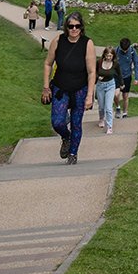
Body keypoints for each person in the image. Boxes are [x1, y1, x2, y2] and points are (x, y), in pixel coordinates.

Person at [42, 12, 95, 164]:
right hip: (60, 88)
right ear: (66, 27)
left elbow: (92, 72)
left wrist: (90, 95)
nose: (74, 29)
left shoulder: (87, 43)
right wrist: (46, 87)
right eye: (71, 26)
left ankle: (73, 153)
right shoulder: (58, 40)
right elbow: (47, 63)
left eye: (77, 26)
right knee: (58, 122)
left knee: (76, 122)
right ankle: (66, 136)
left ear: (81, 27)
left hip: (80, 88)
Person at [93, 47, 119, 135]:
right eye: (107, 56)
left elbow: (119, 74)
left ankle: (109, 126)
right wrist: (97, 77)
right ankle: (101, 118)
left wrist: (119, 86)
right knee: (101, 106)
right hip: (100, 85)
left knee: (108, 107)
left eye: (110, 56)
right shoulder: (99, 62)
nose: (109, 58)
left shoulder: (115, 63)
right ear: (104, 55)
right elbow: (94, 72)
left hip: (111, 85)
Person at [115, 37, 138, 118]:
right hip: (117, 76)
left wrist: (136, 78)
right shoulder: (116, 51)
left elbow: (136, 64)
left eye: (126, 50)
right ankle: (118, 107)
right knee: (116, 95)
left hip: (127, 76)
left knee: (125, 96)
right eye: (123, 50)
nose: (125, 51)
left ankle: (125, 113)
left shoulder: (132, 51)